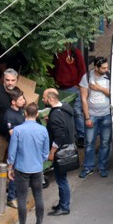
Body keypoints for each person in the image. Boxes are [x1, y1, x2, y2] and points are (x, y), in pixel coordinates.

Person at [8, 102, 49, 224]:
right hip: (37, 169)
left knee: (21, 198)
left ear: (25, 113)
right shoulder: (43, 130)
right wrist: (39, 161)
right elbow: (45, 152)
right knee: (38, 196)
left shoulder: (18, 130)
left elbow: (12, 151)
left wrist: (10, 167)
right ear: (37, 114)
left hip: (21, 168)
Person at [43, 88, 75, 216]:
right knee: (62, 178)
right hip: (68, 147)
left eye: (44, 97)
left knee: (61, 180)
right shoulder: (65, 107)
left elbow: (59, 136)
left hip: (61, 152)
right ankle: (63, 202)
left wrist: (52, 152)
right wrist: (49, 122)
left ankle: (64, 207)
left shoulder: (55, 115)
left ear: (51, 99)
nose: (42, 99)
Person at [79, 57, 112, 178]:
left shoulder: (109, 76)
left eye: (107, 67)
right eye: (103, 68)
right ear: (96, 68)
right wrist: (87, 118)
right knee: (89, 143)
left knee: (105, 142)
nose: (106, 69)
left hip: (107, 114)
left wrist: (100, 88)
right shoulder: (87, 77)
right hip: (92, 115)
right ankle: (88, 167)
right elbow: (83, 98)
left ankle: (102, 167)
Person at [50, 43, 86, 148]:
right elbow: (51, 69)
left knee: (76, 111)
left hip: (73, 87)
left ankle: (81, 136)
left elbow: (82, 70)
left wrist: (79, 84)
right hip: (59, 87)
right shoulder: (54, 54)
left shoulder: (75, 53)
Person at [0, 68, 18, 196]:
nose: (10, 83)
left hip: (13, 135)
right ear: (3, 80)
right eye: (7, 80)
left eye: (13, 80)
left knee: (9, 161)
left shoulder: (18, 93)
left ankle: (6, 184)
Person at [4, 88, 26, 208]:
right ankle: (11, 197)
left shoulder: (21, 111)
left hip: (23, 147)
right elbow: (13, 133)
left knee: (21, 173)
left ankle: (18, 196)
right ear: (13, 102)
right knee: (14, 173)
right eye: (21, 99)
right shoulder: (9, 115)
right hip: (16, 148)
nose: (24, 101)